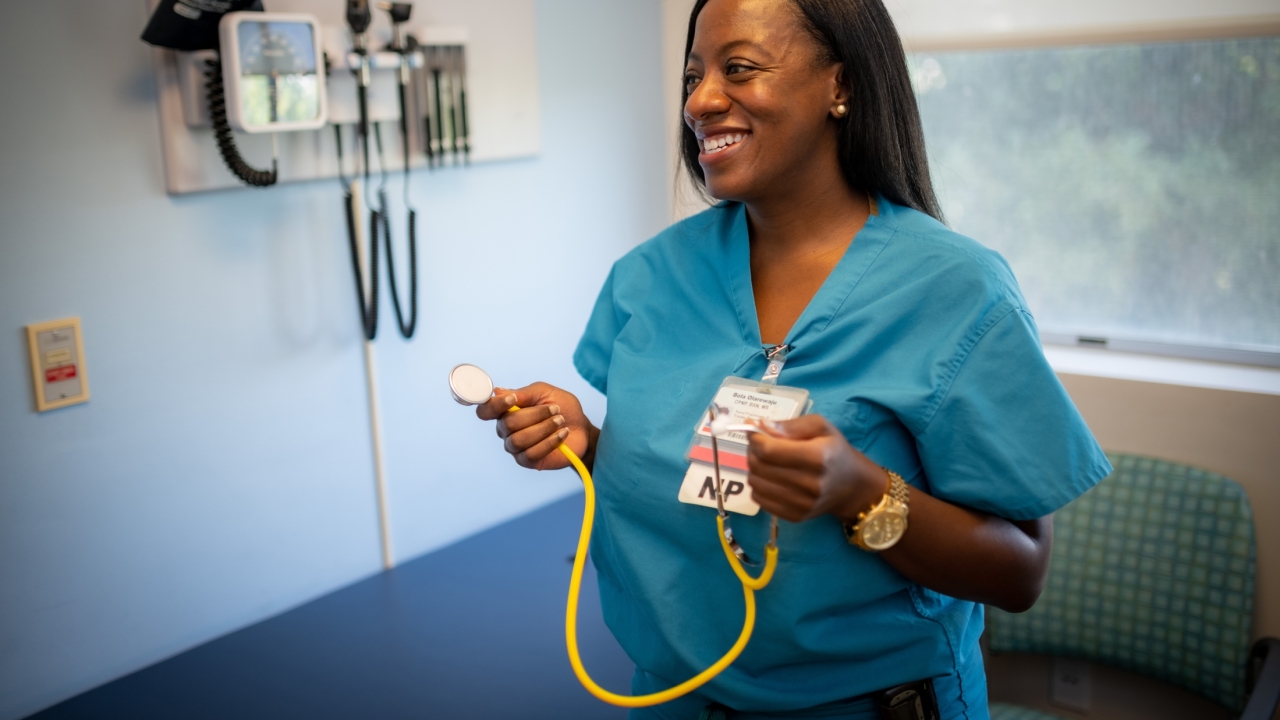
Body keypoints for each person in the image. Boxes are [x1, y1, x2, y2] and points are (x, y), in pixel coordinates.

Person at [474, 0, 1111, 717]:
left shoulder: (955, 291)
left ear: (841, 85)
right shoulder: (648, 277)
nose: (701, 100)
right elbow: (672, 469)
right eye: (694, 76)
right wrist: (586, 443)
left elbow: (1021, 570)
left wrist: (861, 492)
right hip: (672, 697)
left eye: (738, 68)